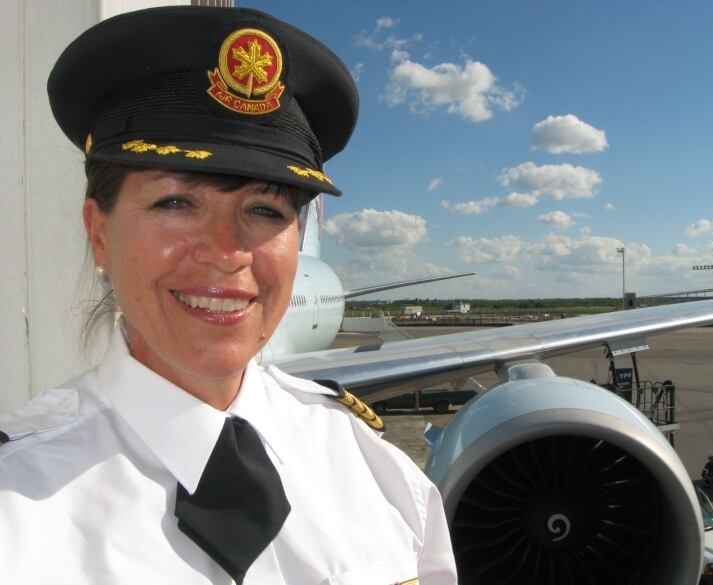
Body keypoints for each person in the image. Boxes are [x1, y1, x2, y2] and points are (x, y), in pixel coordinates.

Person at [0, 7, 457, 584]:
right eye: (175, 202)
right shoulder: (16, 512)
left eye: (264, 210)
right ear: (99, 233)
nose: (226, 251)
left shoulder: (382, 477)